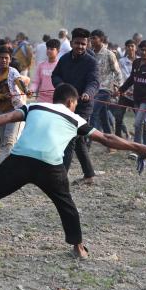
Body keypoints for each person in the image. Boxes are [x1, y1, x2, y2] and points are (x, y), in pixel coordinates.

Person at [0, 83, 146, 265]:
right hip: (50, 165)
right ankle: (79, 248)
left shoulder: (35, 105)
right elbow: (107, 138)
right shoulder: (75, 118)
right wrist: (137, 147)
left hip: (20, 159)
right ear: (71, 101)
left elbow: (6, 117)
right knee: (67, 206)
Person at [51, 28, 99, 185]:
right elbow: (55, 76)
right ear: (71, 43)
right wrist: (62, 86)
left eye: (83, 44)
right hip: (65, 104)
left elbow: (94, 82)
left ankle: (61, 178)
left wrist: (87, 93)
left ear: (87, 44)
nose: (80, 46)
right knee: (78, 141)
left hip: (83, 106)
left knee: (71, 138)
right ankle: (89, 175)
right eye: (77, 43)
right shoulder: (64, 59)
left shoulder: (91, 62)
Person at [0, 46, 31, 162]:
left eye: (6, 58)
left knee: (9, 141)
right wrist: (2, 96)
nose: (4, 60)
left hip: (15, 110)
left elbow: (19, 81)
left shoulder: (13, 72)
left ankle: (7, 166)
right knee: (3, 141)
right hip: (1, 110)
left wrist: (26, 90)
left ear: (10, 59)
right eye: (1, 58)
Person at [118, 40, 146, 153]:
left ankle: (137, 149)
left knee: (137, 123)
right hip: (137, 98)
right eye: (142, 50)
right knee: (143, 123)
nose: (144, 52)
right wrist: (121, 89)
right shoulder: (136, 62)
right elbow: (132, 78)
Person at [89, 29, 121, 138]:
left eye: (94, 38)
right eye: (91, 38)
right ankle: (111, 142)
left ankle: (87, 142)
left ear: (101, 39)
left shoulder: (109, 54)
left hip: (105, 89)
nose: (92, 40)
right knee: (103, 117)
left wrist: (117, 87)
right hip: (93, 88)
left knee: (93, 112)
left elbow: (117, 72)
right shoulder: (90, 53)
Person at [113, 39, 137, 139]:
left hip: (137, 94)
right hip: (124, 93)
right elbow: (118, 75)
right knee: (118, 117)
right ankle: (118, 139)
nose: (130, 48)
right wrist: (117, 87)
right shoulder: (121, 61)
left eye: (132, 46)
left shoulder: (139, 60)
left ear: (135, 47)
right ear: (125, 48)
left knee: (141, 121)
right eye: (128, 46)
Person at [31, 38, 60, 103]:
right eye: (48, 48)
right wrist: (31, 90)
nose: (49, 51)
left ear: (58, 51)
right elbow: (36, 82)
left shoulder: (61, 66)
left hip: (56, 99)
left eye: (52, 49)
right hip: (41, 99)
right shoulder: (41, 65)